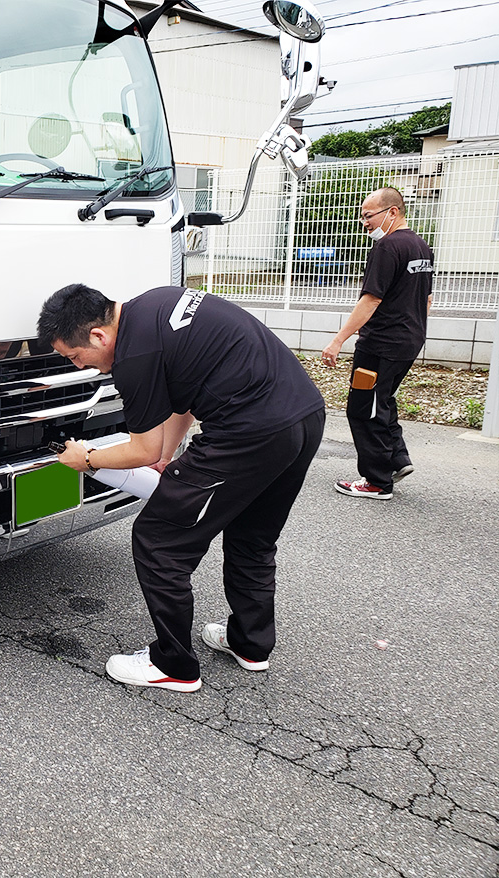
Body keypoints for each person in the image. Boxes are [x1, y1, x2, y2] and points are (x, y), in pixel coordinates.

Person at [37, 284, 325, 692]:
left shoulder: (133, 356)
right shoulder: (157, 304)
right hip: (303, 414)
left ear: (98, 336)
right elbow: (182, 399)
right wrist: (167, 454)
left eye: (74, 356)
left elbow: (141, 448)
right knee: (253, 537)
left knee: (159, 540)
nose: (81, 366)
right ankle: (250, 644)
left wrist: (85, 459)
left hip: (247, 432)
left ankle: (173, 665)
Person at [322, 187, 434, 500]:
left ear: (392, 212)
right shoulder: (421, 247)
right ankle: (396, 461)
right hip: (408, 342)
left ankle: (376, 481)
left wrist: (338, 339)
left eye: (369, 215)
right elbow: (426, 299)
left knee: (363, 408)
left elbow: (371, 299)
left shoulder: (388, 247)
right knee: (382, 400)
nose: (365, 222)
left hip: (381, 344)